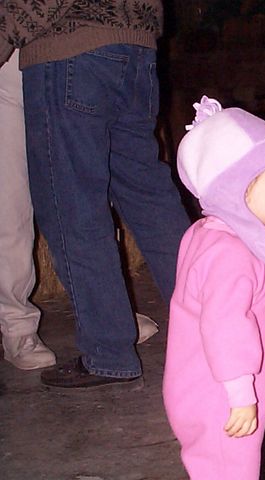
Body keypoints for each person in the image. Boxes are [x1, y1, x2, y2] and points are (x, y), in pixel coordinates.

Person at [2, 0, 191, 388]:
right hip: (136, 48)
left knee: (72, 206)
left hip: (68, 50)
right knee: (148, 196)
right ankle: (213, 324)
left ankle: (108, 352)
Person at [162, 97, 265, 479]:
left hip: (214, 382)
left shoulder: (214, 234)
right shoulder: (231, 252)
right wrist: (240, 394)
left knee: (218, 464)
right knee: (230, 467)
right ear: (238, 189)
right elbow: (224, 324)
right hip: (223, 391)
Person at [0, 50, 56, 371]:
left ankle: (105, 311)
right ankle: (16, 326)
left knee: (82, 195)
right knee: (10, 206)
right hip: (5, 65)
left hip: (60, 49)